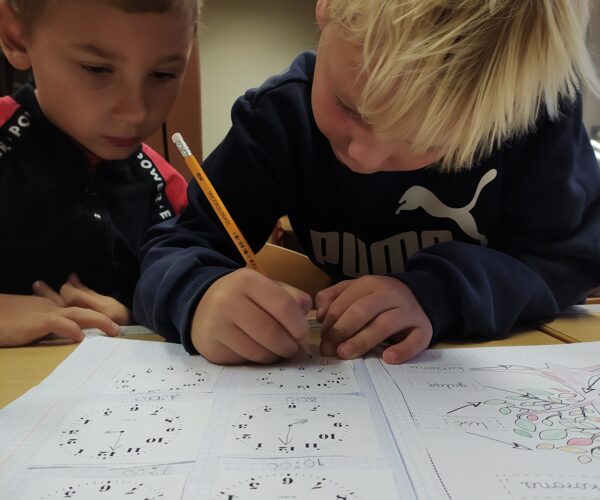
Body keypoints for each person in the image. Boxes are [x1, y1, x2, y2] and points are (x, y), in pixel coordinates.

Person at [134, 0, 600, 365]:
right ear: (327, 6)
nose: (365, 156)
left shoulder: (532, 120)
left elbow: (571, 261)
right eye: (349, 107)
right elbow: (171, 251)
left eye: (426, 139)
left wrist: (437, 293)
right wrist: (198, 296)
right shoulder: (277, 121)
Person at [0, 0, 201, 346]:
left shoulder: (169, 189)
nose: (135, 112)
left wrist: (139, 316)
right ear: (16, 36)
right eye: (97, 69)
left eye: (163, 74)